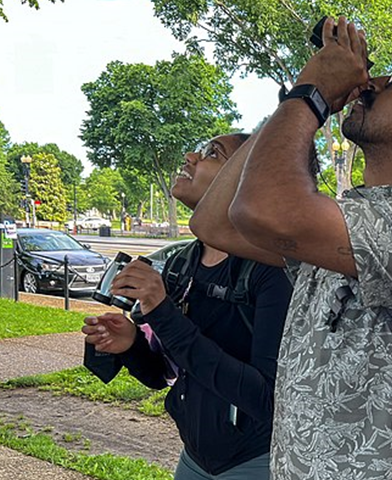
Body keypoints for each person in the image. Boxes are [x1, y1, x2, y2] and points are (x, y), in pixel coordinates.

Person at [193, 17, 392, 480]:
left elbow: (260, 209)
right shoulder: (355, 218)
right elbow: (214, 222)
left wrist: (311, 95)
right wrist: (297, 100)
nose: (374, 82)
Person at [81, 134, 293, 480]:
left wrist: (161, 310)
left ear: (245, 177)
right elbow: (163, 375)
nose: (191, 155)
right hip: (194, 459)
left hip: (256, 462)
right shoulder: (182, 262)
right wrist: (131, 344)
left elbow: (264, 400)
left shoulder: (269, 272)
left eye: (213, 152)